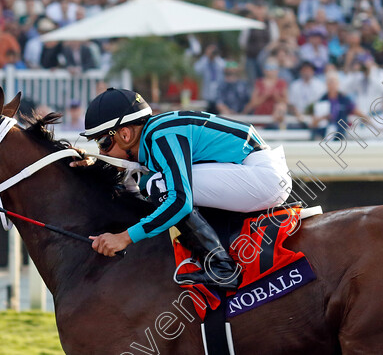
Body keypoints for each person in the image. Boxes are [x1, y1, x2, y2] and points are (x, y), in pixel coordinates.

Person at [69, 88, 292, 290]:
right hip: (256, 171)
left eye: (103, 144)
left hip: (263, 177)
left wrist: (125, 238)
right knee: (151, 181)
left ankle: (222, 266)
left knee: (159, 184)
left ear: (125, 134)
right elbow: (136, 169)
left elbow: (179, 202)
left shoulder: (161, 136)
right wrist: (94, 163)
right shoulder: (155, 133)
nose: (103, 152)